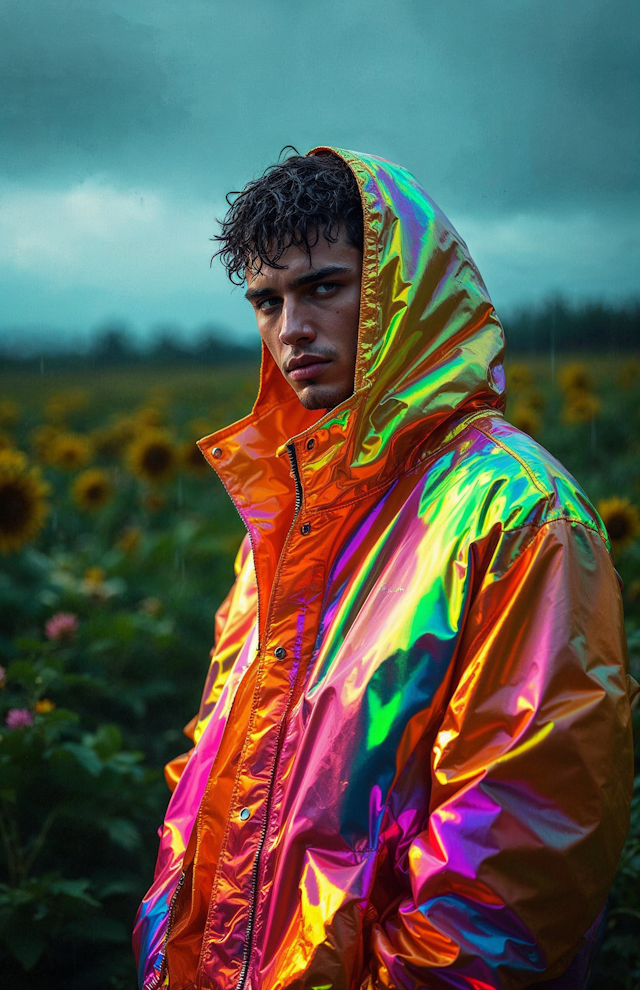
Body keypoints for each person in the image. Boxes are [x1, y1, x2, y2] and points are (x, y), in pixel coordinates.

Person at [133, 148, 637, 990]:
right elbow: (211, 786)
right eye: (268, 300)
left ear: (406, 293)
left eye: (324, 287)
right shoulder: (285, 516)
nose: (291, 328)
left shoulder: (518, 514)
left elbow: (511, 855)